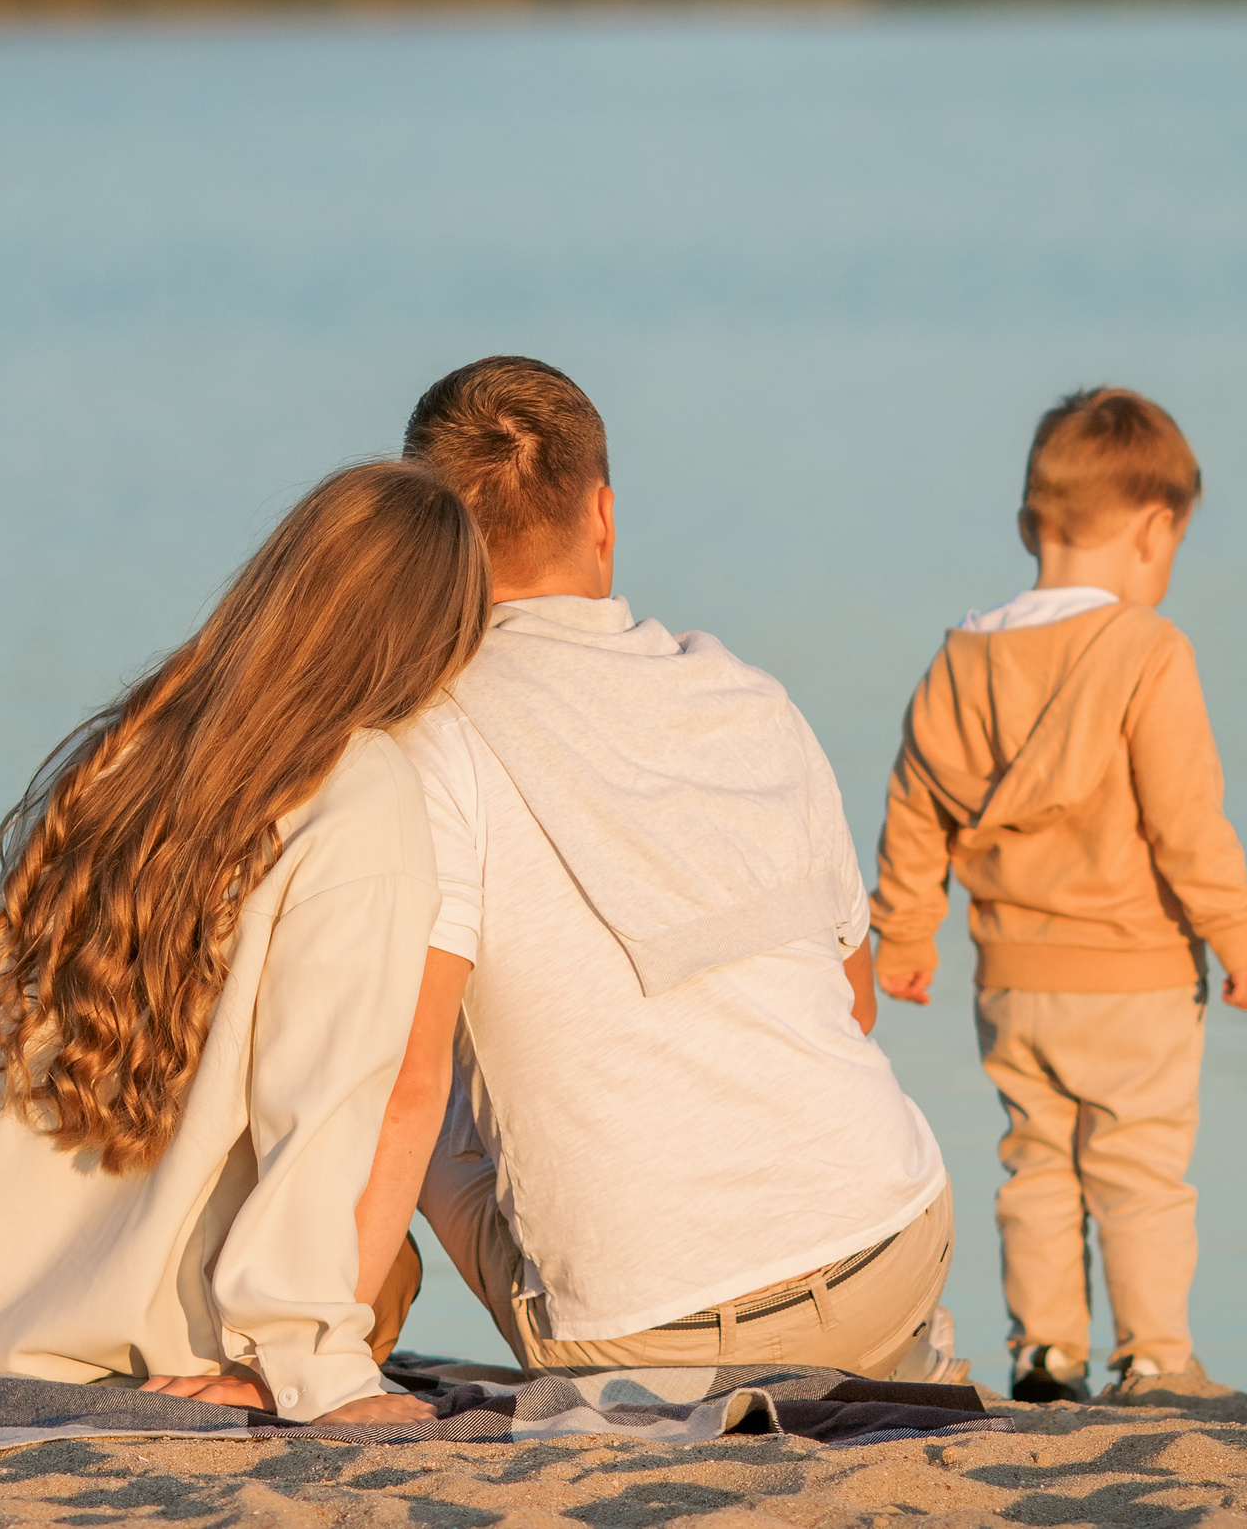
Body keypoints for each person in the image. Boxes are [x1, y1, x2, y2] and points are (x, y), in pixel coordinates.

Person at [0, 462, 486, 1425]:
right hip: (129, 1325)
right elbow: (326, 1104)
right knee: (389, 1270)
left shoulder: (128, 742)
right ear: (437, 644)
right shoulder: (366, 792)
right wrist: (302, 1368)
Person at [396, 356, 960, 1381]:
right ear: (602, 517)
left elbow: (397, 1085)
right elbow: (855, 1003)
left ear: (417, 543)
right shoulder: (744, 693)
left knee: (411, 1061)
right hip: (894, 1242)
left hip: (648, 1337)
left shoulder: (428, 737)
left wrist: (315, 1359)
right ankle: (898, 1359)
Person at [867, 386, 1247, 1406]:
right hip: (1133, 975)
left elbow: (914, 804)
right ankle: (1153, 1359)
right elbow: (1186, 820)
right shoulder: (1147, 651)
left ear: (1026, 527)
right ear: (1154, 529)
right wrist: (1237, 932)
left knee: (1036, 1167)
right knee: (1137, 1169)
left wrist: (907, 933)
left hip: (1012, 980)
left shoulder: (957, 659)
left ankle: (1046, 1353)